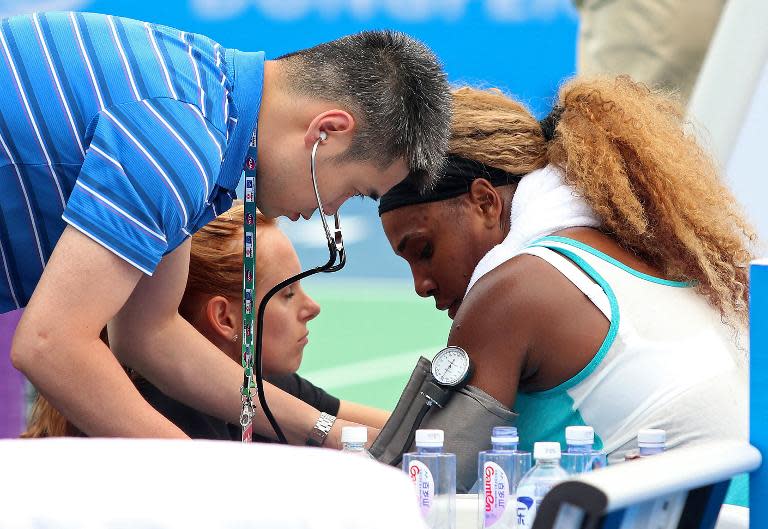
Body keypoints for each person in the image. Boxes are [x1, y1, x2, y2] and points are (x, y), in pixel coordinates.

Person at [3, 12, 450, 443]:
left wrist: (329, 433)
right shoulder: (180, 141)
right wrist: (207, 486)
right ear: (326, 132)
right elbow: (50, 344)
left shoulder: (206, 97)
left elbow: (149, 335)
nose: (327, 210)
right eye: (352, 191)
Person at [378, 78, 751, 499]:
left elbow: (423, 488)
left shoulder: (512, 293)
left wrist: (304, 417)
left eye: (423, 250)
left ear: (484, 203)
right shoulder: (629, 251)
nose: (420, 285)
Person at [23, 204, 390, 439]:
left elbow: (391, 431)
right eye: (287, 293)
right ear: (225, 318)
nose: (313, 307)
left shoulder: (265, 384)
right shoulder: (172, 412)